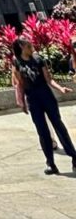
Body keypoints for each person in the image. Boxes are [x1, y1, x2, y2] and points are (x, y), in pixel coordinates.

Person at [12, 38, 76, 174]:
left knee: (59, 126)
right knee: (42, 131)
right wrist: (21, 101)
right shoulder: (16, 62)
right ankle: (51, 163)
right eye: (29, 45)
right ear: (22, 47)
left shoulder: (38, 59)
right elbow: (19, 84)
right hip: (33, 99)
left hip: (46, 96)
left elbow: (49, 79)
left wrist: (60, 88)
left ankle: (74, 157)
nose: (32, 47)